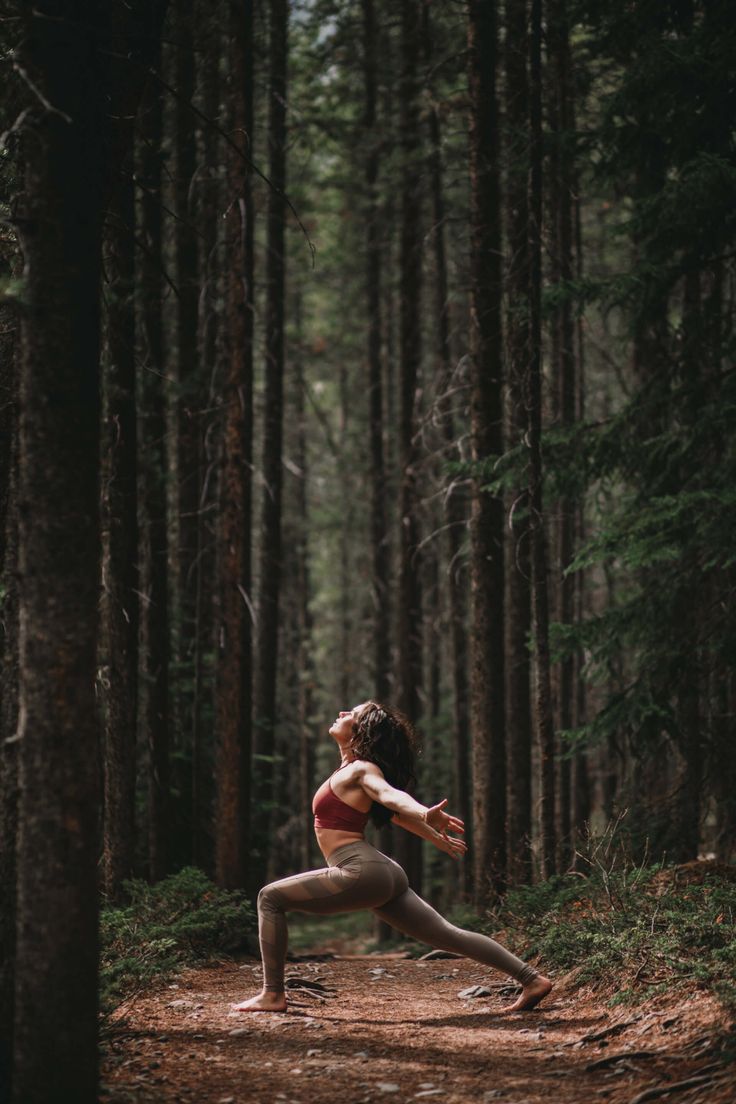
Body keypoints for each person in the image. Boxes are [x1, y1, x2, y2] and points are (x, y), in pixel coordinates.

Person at [234, 701, 552, 1014]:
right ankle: (531, 979)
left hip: (360, 869)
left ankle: (272, 994)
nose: (342, 713)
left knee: (269, 898)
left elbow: (391, 796)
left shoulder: (362, 770)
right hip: (382, 873)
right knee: (448, 935)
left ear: (362, 733)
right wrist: (432, 834)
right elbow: (394, 814)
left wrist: (425, 814)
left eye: (352, 714)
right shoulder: (351, 771)